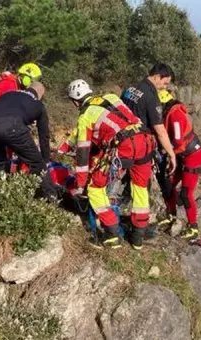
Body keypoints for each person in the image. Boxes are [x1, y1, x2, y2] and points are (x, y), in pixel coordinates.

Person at [67, 79, 156, 250]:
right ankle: (138, 236)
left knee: (95, 188)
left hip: (124, 146)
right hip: (146, 140)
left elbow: (83, 153)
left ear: (75, 102)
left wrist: (81, 182)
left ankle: (112, 233)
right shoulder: (111, 97)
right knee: (140, 186)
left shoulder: (85, 117)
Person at [0, 81, 52, 189]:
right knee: (38, 165)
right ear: (40, 94)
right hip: (13, 126)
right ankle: (50, 200)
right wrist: (45, 160)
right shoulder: (38, 104)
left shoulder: (8, 94)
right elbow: (44, 136)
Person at [156, 89, 201, 239]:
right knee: (168, 185)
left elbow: (178, 142)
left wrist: (165, 152)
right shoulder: (169, 113)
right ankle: (171, 215)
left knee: (186, 193)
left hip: (192, 155)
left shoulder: (176, 115)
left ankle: (193, 227)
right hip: (180, 155)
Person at [121, 63, 177, 176]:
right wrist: (172, 154)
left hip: (120, 139)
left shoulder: (130, 87)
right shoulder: (151, 97)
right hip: (138, 146)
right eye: (165, 83)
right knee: (140, 183)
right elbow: (160, 130)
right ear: (157, 77)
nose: (165, 87)